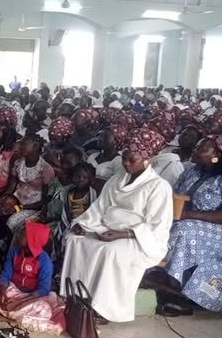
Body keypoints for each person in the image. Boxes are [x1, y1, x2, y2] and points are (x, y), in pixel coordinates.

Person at [61, 127, 174, 322]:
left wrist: (124, 234)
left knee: (110, 252)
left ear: (147, 159)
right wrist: (84, 224)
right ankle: (77, 296)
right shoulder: (117, 178)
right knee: (75, 240)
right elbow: (100, 207)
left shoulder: (158, 187)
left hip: (138, 238)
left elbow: (157, 225)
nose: (126, 164)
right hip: (107, 227)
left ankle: (103, 307)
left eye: (132, 160)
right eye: (124, 159)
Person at [158, 136, 222, 314]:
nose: (195, 151)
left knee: (184, 229)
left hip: (214, 228)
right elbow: (174, 193)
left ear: (217, 155)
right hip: (185, 219)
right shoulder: (191, 171)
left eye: (202, 149)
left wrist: (189, 215)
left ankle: (175, 286)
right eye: (196, 147)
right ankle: (157, 274)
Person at [0, 221, 65, 334]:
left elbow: (43, 288)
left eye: (23, 234)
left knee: (43, 307)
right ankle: (14, 312)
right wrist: (2, 294)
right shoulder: (15, 251)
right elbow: (5, 275)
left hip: (32, 296)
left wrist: (24, 301)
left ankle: (11, 311)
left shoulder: (45, 261)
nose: (18, 236)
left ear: (32, 240)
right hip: (12, 290)